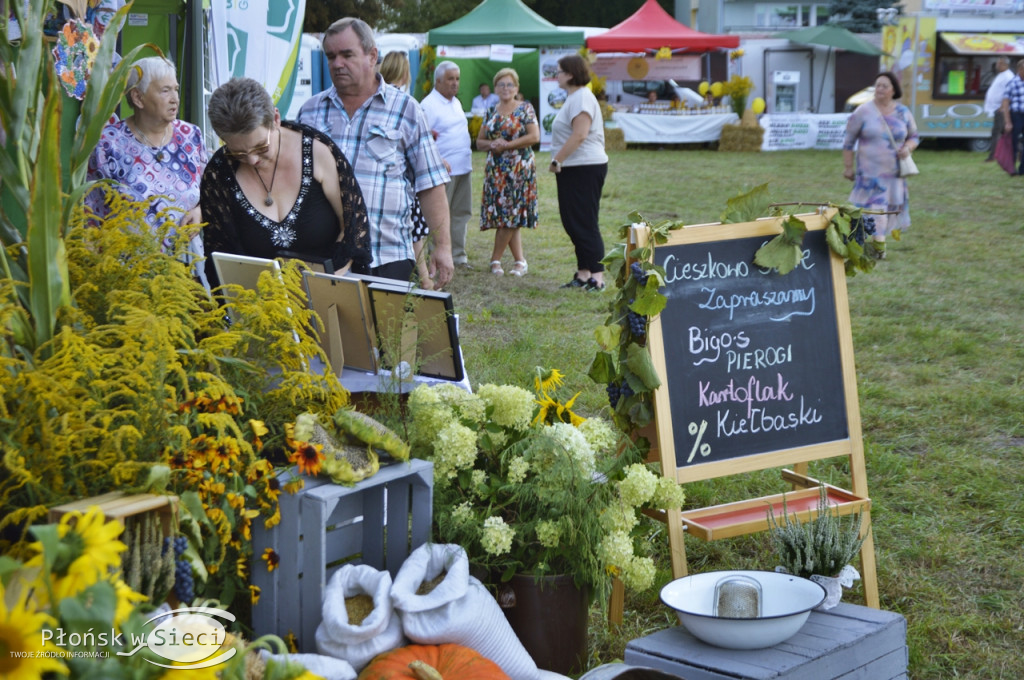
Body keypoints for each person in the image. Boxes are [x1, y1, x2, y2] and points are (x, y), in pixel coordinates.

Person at [297, 17, 453, 288]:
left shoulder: (407, 109)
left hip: (386, 257)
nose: (337, 64)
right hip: (324, 258)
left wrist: (443, 247)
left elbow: (431, 185)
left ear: (372, 56)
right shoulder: (310, 111)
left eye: (347, 54)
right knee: (327, 331)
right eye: (331, 56)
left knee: (385, 332)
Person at [200, 77, 370, 287]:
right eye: (239, 153)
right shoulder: (219, 174)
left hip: (328, 291)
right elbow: (220, 257)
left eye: (261, 147)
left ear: (276, 119)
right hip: (258, 304)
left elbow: (353, 227)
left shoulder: (317, 152)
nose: (252, 160)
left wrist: (326, 281)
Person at [86, 56, 207, 277]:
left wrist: (199, 211)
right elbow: (92, 213)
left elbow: (208, 194)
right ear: (138, 98)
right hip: (129, 273)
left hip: (187, 271)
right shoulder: (108, 143)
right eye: (165, 91)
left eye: (176, 90)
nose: (175, 99)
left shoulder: (192, 136)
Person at [548, 54, 609, 292]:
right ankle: (584, 273)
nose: (557, 75)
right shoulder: (574, 97)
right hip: (575, 168)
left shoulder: (582, 97)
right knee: (573, 221)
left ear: (571, 74)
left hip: (585, 166)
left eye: (560, 71)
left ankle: (597, 277)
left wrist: (557, 159)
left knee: (584, 222)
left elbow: (580, 134)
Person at [842, 72, 919, 252]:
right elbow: (848, 140)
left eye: (884, 86)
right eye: (877, 85)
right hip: (869, 174)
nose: (880, 89)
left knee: (883, 208)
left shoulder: (903, 112)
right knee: (875, 208)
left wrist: (908, 147)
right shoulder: (863, 111)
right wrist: (848, 167)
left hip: (894, 173)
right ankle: (877, 246)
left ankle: (876, 245)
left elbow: (914, 136)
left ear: (893, 90)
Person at [476, 68, 539, 277]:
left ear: (517, 88)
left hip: (520, 169)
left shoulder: (525, 108)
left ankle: (495, 259)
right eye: (501, 84)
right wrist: (492, 143)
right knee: (506, 216)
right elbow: (479, 142)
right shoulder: (491, 111)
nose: (505, 88)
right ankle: (520, 261)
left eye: (509, 84)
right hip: (497, 170)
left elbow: (534, 137)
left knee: (512, 215)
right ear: (495, 88)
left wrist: (508, 145)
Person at [378, 51, 432, 289]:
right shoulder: (406, 102)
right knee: (416, 233)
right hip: (406, 184)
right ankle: (425, 279)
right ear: (405, 72)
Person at [421, 60, 473, 270]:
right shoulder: (428, 105)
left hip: (463, 168)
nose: (455, 83)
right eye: (450, 79)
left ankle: (458, 256)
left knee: (461, 213)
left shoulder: (456, 103)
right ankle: (436, 256)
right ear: (438, 81)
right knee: (439, 217)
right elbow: (423, 139)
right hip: (442, 171)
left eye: (457, 79)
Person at [984, 57, 1013, 161]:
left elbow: (1008, 94)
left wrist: (1002, 107)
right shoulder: (1001, 75)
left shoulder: (1008, 76)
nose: (997, 65)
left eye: (999, 63)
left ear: (1005, 65)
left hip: (1002, 109)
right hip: (996, 108)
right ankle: (998, 154)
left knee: (999, 133)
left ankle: (993, 156)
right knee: (1000, 132)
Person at [1000, 60, 1024, 175]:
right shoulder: (1012, 83)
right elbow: (1005, 102)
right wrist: (1008, 122)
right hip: (1016, 115)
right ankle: (1011, 168)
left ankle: (1022, 169)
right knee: (1014, 142)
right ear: (1020, 70)